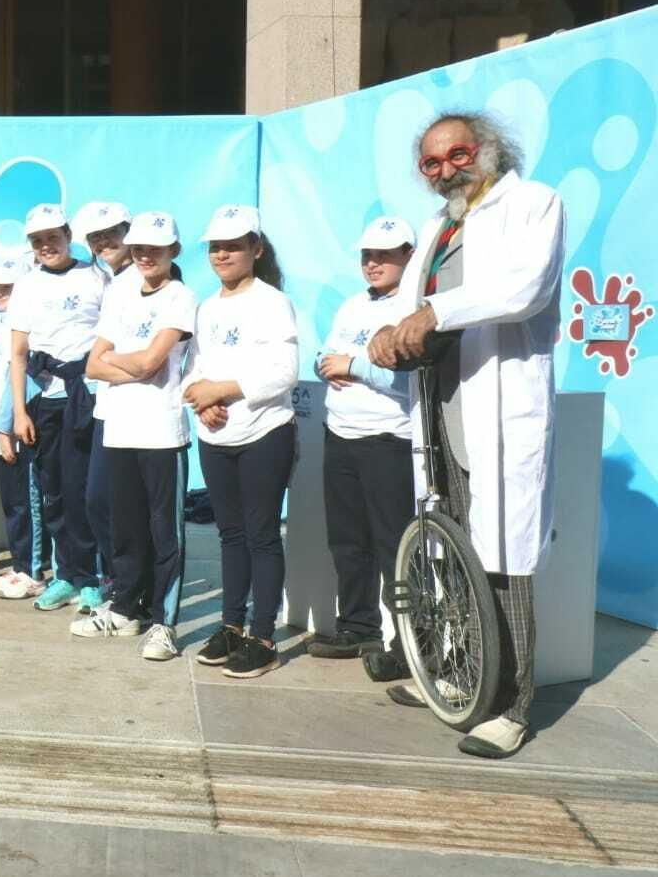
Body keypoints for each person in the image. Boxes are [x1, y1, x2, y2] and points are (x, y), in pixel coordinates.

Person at [367, 110, 565, 760]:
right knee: (448, 555)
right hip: (438, 409)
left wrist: (433, 312)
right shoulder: (438, 227)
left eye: (458, 153)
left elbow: (523, 289)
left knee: (504, 561)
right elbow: (408, 309)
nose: (447, 168)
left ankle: (511, 705)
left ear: (489, 150)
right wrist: (386, 334)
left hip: (496, 411)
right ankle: (459, 680)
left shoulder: (533, 204)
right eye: (431, 162)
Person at [74, 212, 195, 662]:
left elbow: (152, 365)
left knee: (165, 533)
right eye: (140, 248)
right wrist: (135, 362)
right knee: (124, 527)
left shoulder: (181, 297)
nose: (146, 255)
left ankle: (165, 623)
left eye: (155, 248)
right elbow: (93, 365)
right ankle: (126, 608)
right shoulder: (122, 294)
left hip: (161, 431)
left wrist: (123, 361)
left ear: (173, 252)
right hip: (120, 428)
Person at [184, 205, 299, 679]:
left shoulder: (272, 302)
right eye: (216, 246)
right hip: (217, 434)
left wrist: (222, 390)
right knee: (229, 535)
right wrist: (201, 399)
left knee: (262, 535)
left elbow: (283, 373)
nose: (223, 253)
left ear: (256, 248)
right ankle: (231, 626)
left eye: (233, 244)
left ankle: (264, 637)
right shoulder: (207, 307)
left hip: (265, 433)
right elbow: (194, 366)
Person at [306, 218, 417, 664]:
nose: (373, 263)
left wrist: (351, 366)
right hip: (341, 435)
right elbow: (323, 357)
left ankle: (408, 643)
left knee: (395, 545)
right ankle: (357, 626)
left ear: (409, 254)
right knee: (348, 541)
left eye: (385, 254)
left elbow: (408, 380)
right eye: (367, 255)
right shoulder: (352, 305)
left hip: (389, 440)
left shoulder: (418, 308)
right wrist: (329, 365)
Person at [8, 204, 110, 611]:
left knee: (86, 491)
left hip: (88, 397)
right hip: (46, 400)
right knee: (55, 493)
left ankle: (92, 578)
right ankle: (65, 574)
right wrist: (19, 411)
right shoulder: (27, 285)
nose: (47, 245)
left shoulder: (96, 278)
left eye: (53, 236)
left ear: (69, 234)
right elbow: (17, 353)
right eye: (38, 240)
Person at [70, 201, 141, 615]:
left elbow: (142, 357)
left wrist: (110, 363)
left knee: (131, 508)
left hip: (142, 412)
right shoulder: (109, 282)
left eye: (112, 233)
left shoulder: (153, 278)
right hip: (106, 406)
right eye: (95, 237)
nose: (103, 242)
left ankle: (136, 589)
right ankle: (119, 579)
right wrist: (108, 362)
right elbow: (99, 359)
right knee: (98, 500)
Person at [0, 255, 52, 601]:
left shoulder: (29, 326)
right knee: (13, 500)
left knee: (27, 501)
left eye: (7, 288)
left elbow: (23, 379)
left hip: (16, 425)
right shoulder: (1, 324)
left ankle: (33, 569)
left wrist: (8, 424)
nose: (0, 294)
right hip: (1, 425)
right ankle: (21, 563)